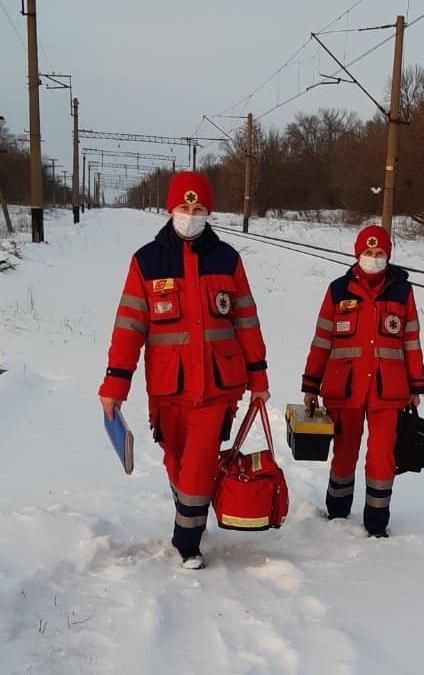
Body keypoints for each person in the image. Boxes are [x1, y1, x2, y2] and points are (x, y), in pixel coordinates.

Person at [98, 171, 270, 570]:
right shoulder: (146, 261)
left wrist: (259, 377)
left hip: (217, 386)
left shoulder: (227, 260)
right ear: (170, 209)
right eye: (183, 208)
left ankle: (187, 541)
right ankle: (189, 511)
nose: (190, 216)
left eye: (199, 209)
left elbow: (246, 320)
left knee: (199, 463)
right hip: (168, 388)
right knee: (176, 458)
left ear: (209, 212)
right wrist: (114, 385)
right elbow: (128, 328)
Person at [300, 224, 424, 537]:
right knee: (344, 451)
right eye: (368, 253)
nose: (374, 258)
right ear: (357, 254)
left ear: (388, 256)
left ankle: (376, 522)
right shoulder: (337, 290)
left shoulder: (402, 291)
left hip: (389, 389)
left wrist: (416, 386)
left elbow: (411, 340)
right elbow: (322, 340)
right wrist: (311, 384)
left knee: (382, 456)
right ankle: (338, 512)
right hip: (345, 387)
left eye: (380, 253)